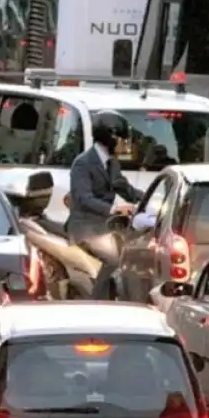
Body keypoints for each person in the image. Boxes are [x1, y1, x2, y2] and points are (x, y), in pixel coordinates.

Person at [68, 111, 144, 299]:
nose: (125, 145)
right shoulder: (82, 164)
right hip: (85, 227)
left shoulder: (111, 163)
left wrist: (149, 199)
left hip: (105, 226)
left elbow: (124, 187)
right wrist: (113, 209)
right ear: (109, 138)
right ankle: (96, 303)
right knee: (113, 260)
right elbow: (84, 198)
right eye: (122, 140)